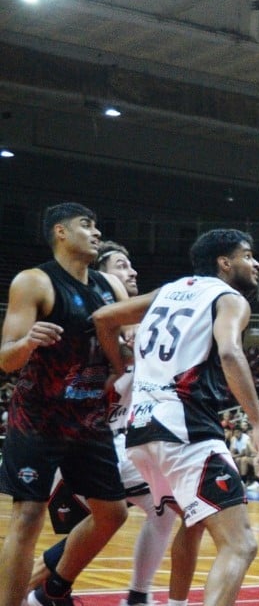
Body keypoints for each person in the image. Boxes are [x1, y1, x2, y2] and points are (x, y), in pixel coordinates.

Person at [95, 228, 259, 606]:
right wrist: (258, 423)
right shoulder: (229, 298)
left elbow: (103, 317)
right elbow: (230, 353)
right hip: (185, 429)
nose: (255, 263)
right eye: (247, 255)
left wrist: (120, 363)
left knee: (193, 523)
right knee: (240, 544)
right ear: (224, 263)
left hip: (141, 432)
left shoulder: (168, 291)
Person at [30, 241, 181, 606]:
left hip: (114, 444)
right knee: (143, 511)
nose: (132, 272)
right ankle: (39, 592)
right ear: (100, 279)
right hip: (81, 443)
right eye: (121, 266)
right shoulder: (88, 330)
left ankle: (58, 593)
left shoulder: (139, 326)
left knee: (154, 512)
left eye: (131, 265)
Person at [0, 203, 132, 606]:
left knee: (114, 513)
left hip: (89, 418)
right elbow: (6, 359)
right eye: (86, 225)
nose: (96, 232)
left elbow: (125, 354)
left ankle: (53, 586)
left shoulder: (111, 288)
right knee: (28, 516)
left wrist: (128, 352)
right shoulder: (34, 282)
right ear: (60, 232)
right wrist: (27, 342)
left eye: (97, 226)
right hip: (38, 416)